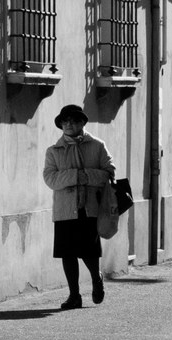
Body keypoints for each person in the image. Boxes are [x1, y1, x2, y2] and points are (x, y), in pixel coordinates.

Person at [43, 104, 115, 310]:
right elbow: (50, 178)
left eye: (73, 121)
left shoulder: (97, 146)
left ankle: (96, 278)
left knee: (88, 251)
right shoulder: (54, 151)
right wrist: (76, 176)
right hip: (65, 209)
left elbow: (109, 172)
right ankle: (74, 295)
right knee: (67, 253)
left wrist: (88, 176)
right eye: (65, 122)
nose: (69, 124)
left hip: (90, 207)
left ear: (82, 123)